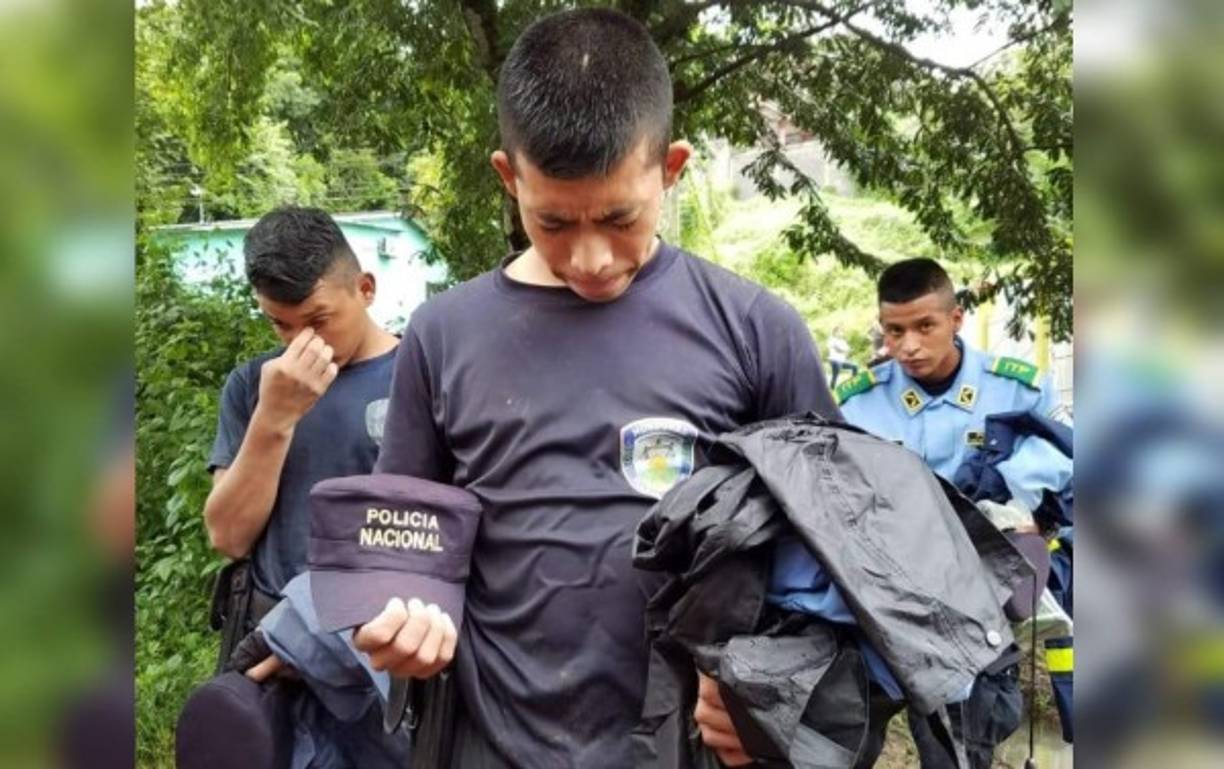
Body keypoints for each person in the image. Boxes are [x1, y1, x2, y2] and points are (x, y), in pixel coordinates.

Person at [347, 8, 840, 768]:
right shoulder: (441, 335)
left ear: (671, 168)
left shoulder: (754, 330)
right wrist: (394, 615)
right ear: (508, 178)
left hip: (683, 745)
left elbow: (838, 545)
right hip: (489, 743)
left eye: (619, 217)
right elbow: (402, 532)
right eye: (552, 222)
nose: (591, 258)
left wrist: (783, 686)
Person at [835, 257, 1068, 769]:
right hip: (888, 596)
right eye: (894, 331)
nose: (909, 346)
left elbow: (1064, 459)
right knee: (846, 736)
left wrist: (1019, 498)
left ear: (956, 319)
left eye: (925, 326)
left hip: (980, 600)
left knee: (962, 745)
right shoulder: (858, 404)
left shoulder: (1017, 389)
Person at [199, 207, 406, 766]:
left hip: (379, 666)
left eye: (317, 320)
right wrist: (275, 416)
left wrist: (317, 638)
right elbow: (228, 536)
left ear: (365, 289)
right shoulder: (253, 386)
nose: (299, 344)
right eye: (280, 325)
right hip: (273, 669)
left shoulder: (417, 375)